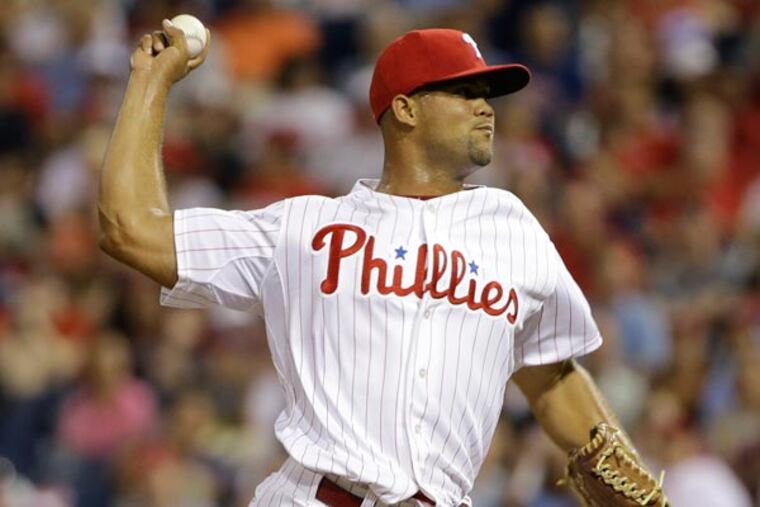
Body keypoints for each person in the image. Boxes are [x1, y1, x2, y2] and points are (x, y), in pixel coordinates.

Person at [98, 20, 667, 507]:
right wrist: (151, 80)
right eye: (464, 92)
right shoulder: (304, 229)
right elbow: (131, 228)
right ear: (405, 109)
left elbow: (552, 376)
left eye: (486, 93)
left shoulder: (512, 227)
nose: (484, 108)